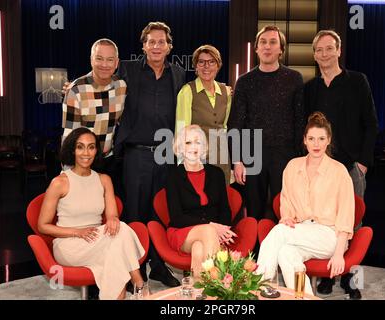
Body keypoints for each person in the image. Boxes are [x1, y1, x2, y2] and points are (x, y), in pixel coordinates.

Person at [304, 30, 378, 299]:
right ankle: (327, 275)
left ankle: (352, 278)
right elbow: (306, 128)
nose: (324, 54)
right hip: (320, 168)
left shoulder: (358, 81)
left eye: (328, 48)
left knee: (353, 224)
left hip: (350, 168)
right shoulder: (310, 88)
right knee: (323, 222)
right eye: (319, 50)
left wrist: (363, 164)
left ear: (338, 50)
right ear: (314, 55)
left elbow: (371, 123)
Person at [114, 22, 186, 287]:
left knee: (160, 212)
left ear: (169, 47)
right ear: (143, 45)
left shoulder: (178, 73)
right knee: (135, 212)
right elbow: (100, 76)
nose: (156, 46)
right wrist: (73, 86)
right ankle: (136, 267)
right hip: (136, 154)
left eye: (161, 42)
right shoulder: (128, 69)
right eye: (151, 42)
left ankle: (158, 265)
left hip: (167, 154)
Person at [37, 127, 145, 300]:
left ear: (97, 151)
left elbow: (112, 216)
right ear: (72, 150)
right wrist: (76, 232)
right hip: (69, 245)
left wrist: (113, 220)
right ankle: (140, 285)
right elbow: (42, 226)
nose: (86, 153)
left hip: (97, 240)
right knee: (121, 236)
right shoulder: (60, 182)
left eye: (91, 147)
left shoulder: (104, 180)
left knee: (115, 259)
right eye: (80, 147)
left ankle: (134, 289)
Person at [256, 112, 355, 296]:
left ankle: (261, 288)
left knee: (279, 232)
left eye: (321, 138)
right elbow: (285, 200)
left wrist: (339, 252)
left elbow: (346, 215)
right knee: (285, 253)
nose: (316, 144)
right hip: (300, 232)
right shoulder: (293, 166)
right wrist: (286, 216)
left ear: (328, 140)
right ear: (304, 140)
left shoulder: (339, 171)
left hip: (330, 236)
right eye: (311, 138)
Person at [227, 25, 304, 222]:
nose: (267, 47)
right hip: (252, 156)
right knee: (254, 212)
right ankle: (255, 253)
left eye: (273, 42)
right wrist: (237, 160)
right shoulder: (244, 81)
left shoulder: (294, 79)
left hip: (286, 155)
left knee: (286, 211)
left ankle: (281, 253)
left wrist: (300, 160)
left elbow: (300, 121)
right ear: (256, 48)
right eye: (263, 42)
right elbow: (235, 123)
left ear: (281, 49)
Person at [166, 125, 237, 278]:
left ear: (204, 147)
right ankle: (218, 286)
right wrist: (212, 226)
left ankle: (197, 290)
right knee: (208, 231)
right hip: (182, 232)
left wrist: (223, 231)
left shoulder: (216, 173)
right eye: (188, 142)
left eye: (197, 142)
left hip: (211, 235)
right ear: (180, 147)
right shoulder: (173, 176)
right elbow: (176, 217)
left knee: (199, 249)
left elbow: (225, 209)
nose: (193, 147)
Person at [62, 38, 126, 194]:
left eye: (110, 60)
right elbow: (69, 136)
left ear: (116, 63)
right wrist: (68, 174)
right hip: (82, 163)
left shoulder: (122, 87)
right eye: (99, 58)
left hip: (109, 162)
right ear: (91, 60)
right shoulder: (76, 90)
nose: (104, 64)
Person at [175, 45, 232, 184]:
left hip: (221, 158)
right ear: (196, 66)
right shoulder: (187, 91)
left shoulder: (226, 92)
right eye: (201, 62)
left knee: (221, 201)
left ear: (218, 65)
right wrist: (182, 165)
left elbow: (224, 127)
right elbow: (182, 130)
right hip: (196, 158)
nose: (206, 66)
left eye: (211, 61)